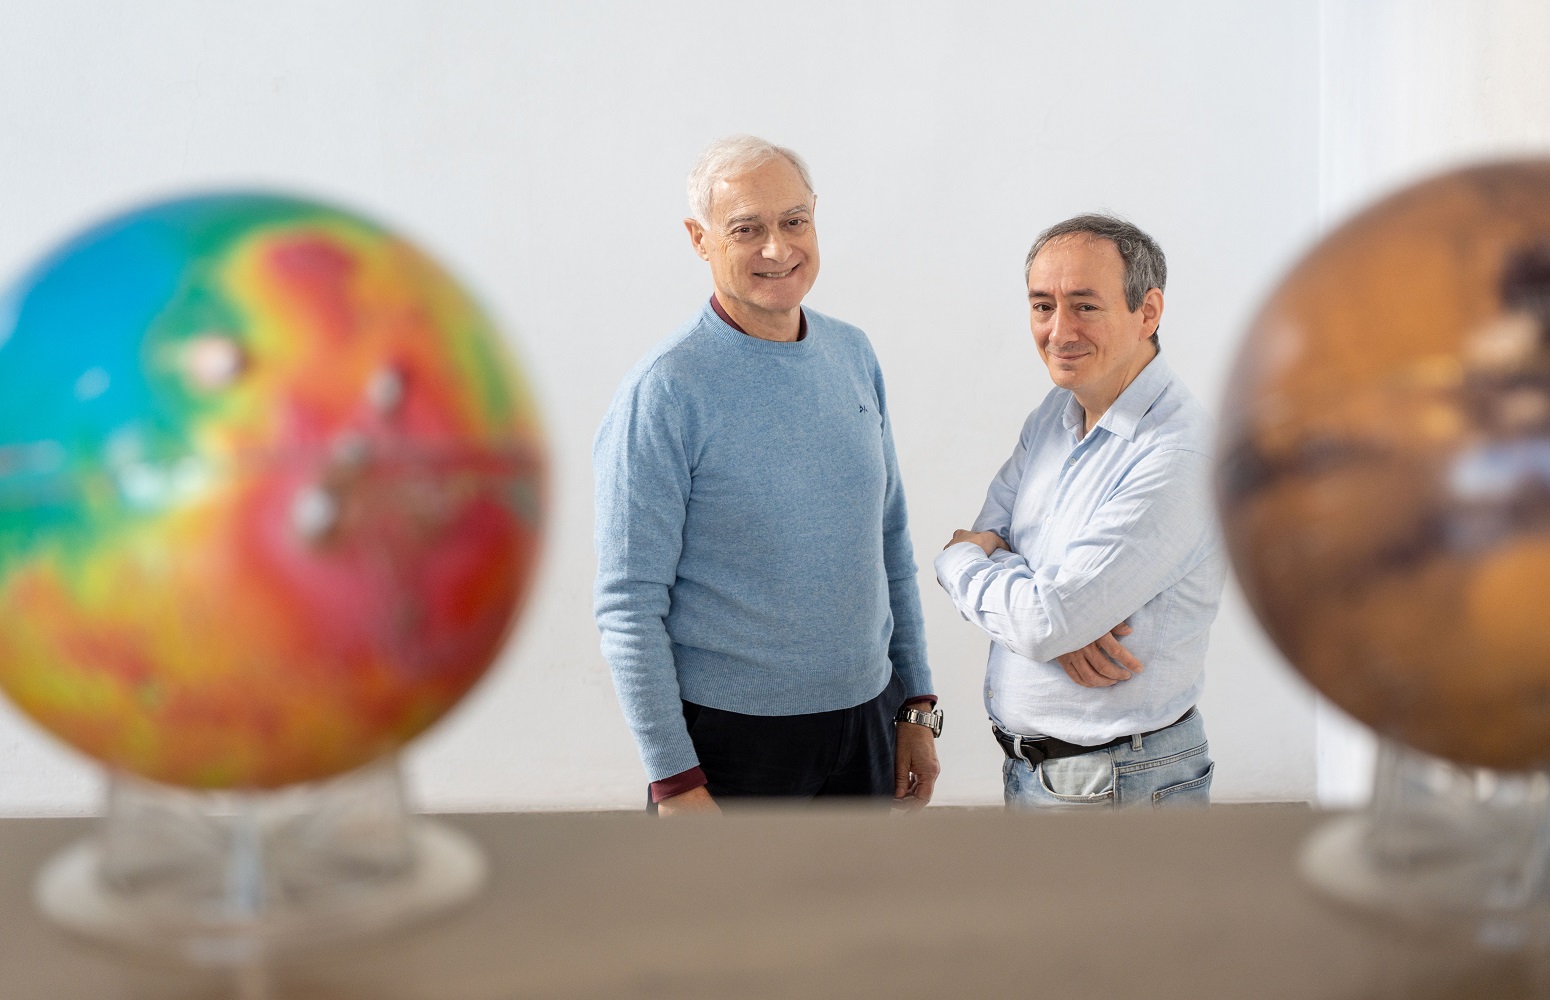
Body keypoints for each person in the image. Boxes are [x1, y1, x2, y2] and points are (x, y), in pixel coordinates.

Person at [594, 135, 941, 816]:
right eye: (746, 229)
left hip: (868, 723)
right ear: (700, 239)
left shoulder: (852, 354)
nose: (777, 249)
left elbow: (890, 541)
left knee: (856, 923)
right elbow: (629, 604)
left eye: (793, 222)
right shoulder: (665, 391)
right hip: (730, 747)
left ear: (815, 216)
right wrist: (674, 779)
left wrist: (915, 705)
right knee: (730, 928)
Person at [934, 214, 1226, 809]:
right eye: (1043, 305)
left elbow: (1031, 606)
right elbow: (1029, 585)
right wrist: (1054, 613)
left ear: (1148, 311)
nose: (1058, 330)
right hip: (1043, 776)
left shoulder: (1179, 454)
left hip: (1123, 783)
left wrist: (957, 559)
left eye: (1085, 306)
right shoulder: (1054, 413)